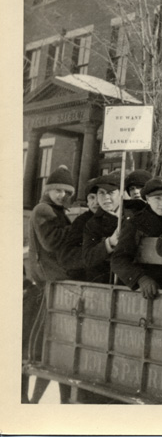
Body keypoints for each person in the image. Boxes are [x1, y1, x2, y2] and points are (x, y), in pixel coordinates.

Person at [25, 165, 76, 404]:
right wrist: (77, 228)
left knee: (51, 339)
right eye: (57, 190)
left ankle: (33, 399)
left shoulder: (57, 210)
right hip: (47, 279)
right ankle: (28, 397)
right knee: (41, 338)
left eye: (66, 192)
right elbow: (51, 242)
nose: (61, 195)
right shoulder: (43, 209)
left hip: (52, 279)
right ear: (49, 189)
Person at [110, 176, 162, 299]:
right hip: (146, 292)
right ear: (147, 198)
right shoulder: (136, 224)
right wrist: (141, 278)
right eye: (157, 198)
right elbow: (118, 260)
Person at [82, 173, 144, 284]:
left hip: (139, 278)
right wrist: (110, 242)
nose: (106, 198)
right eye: (101, 193)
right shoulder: (93, 224)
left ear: (121, 193)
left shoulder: (138, 210)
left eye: (110, 192)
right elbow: (88, 257)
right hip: (108, 281)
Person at [58, 178, 99, 281]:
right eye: (92, 198)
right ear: (87, 201)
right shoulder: (82, 222)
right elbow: (67, 256)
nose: (96, 202)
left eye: (100, 197)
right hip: (86, 280)